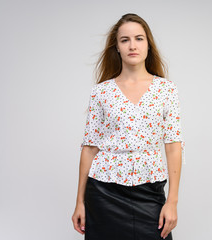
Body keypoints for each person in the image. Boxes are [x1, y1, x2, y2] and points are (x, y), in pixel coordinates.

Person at [71, 13, 185, 240]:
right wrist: (80, 202)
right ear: (117, 48)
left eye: (139, 38)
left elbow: (173, 146)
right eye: (125, 40)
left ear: (148, 45)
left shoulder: (166, 90)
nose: (132, 45)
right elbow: (90, 148)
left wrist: (171, 201)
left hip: (149, 191)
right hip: (103, 193)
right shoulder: (101, 92)